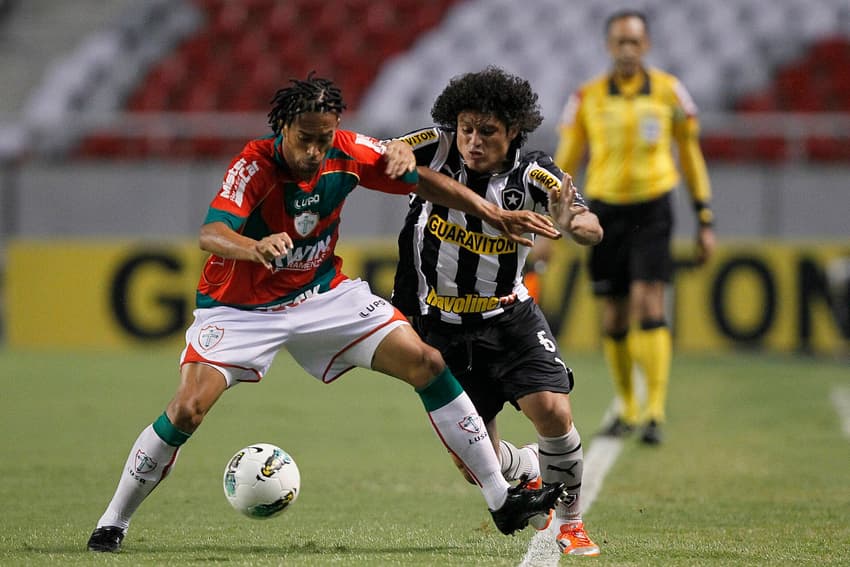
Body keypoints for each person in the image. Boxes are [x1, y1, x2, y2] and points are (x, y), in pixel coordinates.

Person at [85, 73, 569, 553]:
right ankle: (114, 521)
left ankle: (500, 498)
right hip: (239, 308)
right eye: (305, 140)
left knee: (427, 363)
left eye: (323, 139)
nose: (314, 152)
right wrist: (253, 247)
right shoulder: (254, 166)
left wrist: (494, 214)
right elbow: (210, 233)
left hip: (321, 296)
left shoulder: (346, 151)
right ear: (283, 130)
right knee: (187, 409)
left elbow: (424, 181)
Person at [391, 66, 603, 557]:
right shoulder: (437, 147)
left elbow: (587, 222)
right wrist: (395, 150)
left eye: (487, 131)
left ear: (513, 132)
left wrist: (571, 220)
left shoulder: (532, 173)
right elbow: (389, 151)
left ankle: (571, 522)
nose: (473, 140)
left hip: (507, 318)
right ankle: (530, 466)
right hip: (440, 328)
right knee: (474, 467)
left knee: (551, 410)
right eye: (467, 128)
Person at [553, 9, 716, 445]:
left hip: (653, 204)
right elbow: (565, 162)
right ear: (609, 46)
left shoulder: (669, 93)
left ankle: (655, 412)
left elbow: (691, 155)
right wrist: (552, 220)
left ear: (646, 46)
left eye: (634, 42)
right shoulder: (586, 98)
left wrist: (705, 216)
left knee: (649, 300)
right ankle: (626, 406)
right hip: (604, 210)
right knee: (614, 311)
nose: (627, 49)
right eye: (620, 41)